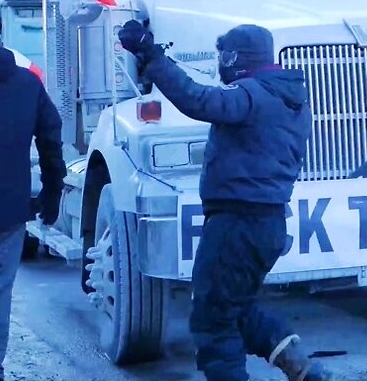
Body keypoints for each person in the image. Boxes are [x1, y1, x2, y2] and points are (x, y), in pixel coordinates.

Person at [117, 21, 330, 381]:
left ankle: (298, 368)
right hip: (266, 224)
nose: (220, 64)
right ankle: (303, 368)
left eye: (224, 56)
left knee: (212, 319)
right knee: (234, 306)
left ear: (238, 58)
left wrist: (151, 55)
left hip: (237, 224)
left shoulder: (250, 94)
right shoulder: (289, 97)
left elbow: (198, 99)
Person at [0, 12, 66, 381]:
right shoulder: (26, 84)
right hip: (6, 212)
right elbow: (51, 141)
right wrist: (51, 195)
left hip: (5, 210)